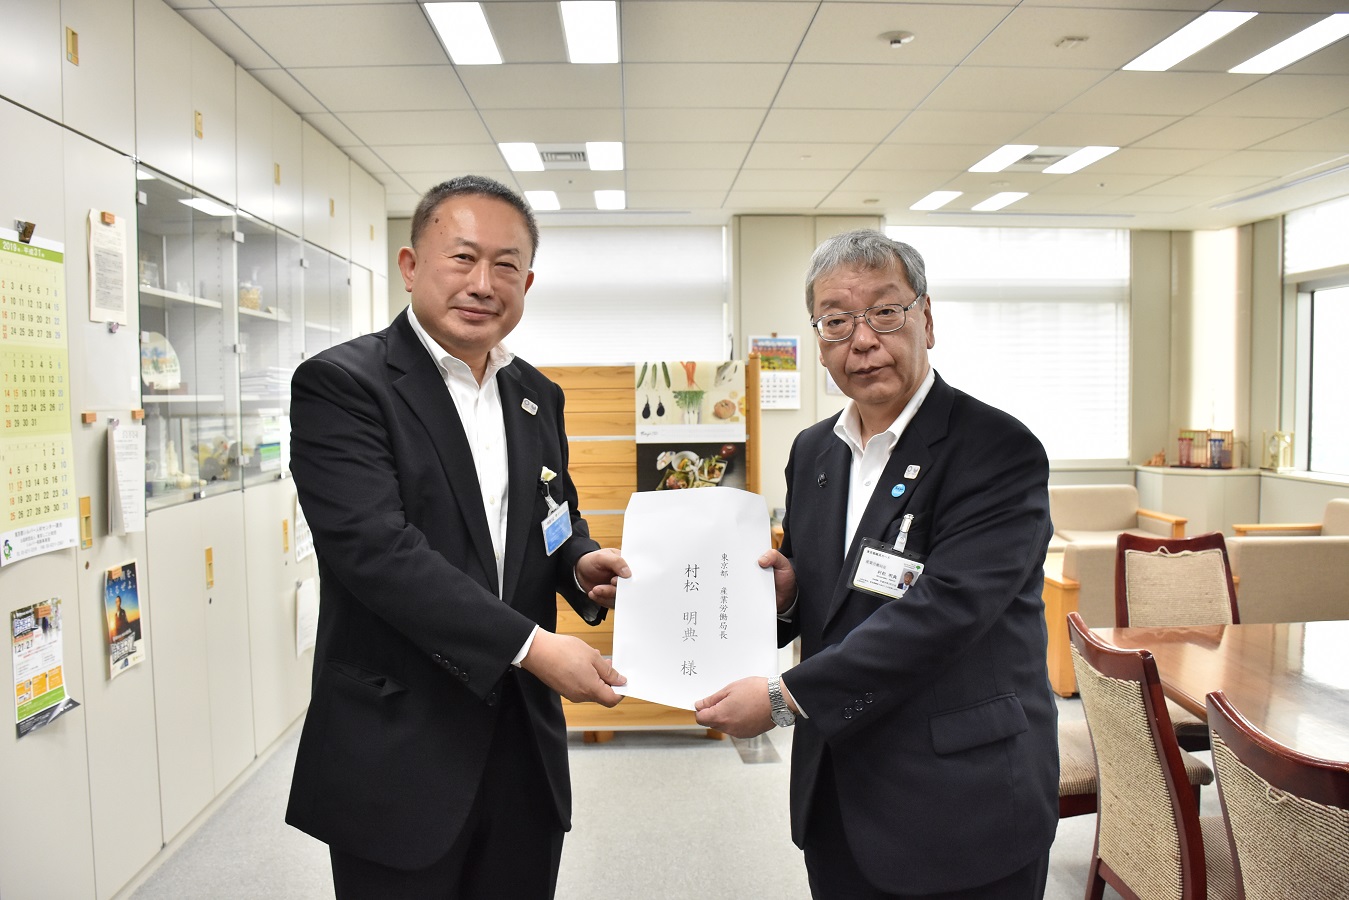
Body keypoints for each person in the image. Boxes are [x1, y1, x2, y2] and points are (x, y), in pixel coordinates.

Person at [285, 175, 632, 899]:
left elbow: (551, 513)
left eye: (506, 266)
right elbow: (377, 553)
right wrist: (534, 647)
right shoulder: (342, 385)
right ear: (411, 266)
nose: (482, 284)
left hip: (522, 746)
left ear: (526, 283)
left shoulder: (536, 394)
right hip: (399, 744)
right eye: (462, 258)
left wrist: (579, 564)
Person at [695, 230, 1058, 898]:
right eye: (836, 321)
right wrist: (787, 595)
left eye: (884, 312)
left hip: (961, 803)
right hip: (837, 790)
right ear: (818, 339)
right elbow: (825, 598)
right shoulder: (814, 452)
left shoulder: (996, 449)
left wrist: (782, 698)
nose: (861, 340)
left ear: (926, 318)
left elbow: (947, 611)